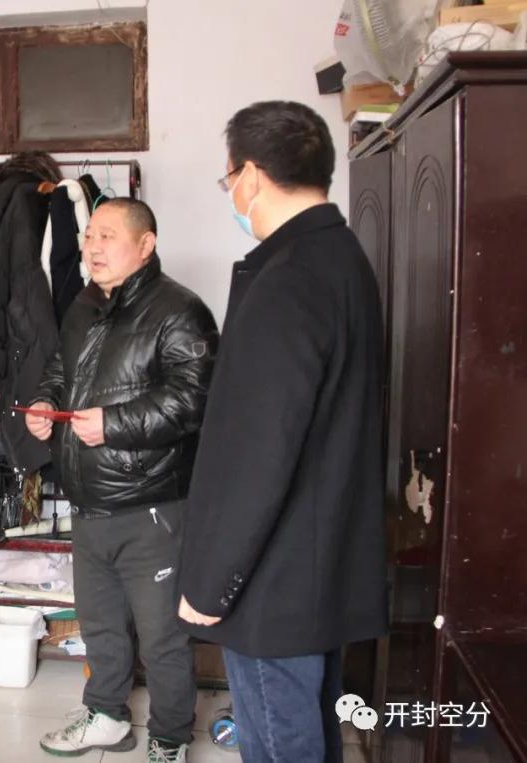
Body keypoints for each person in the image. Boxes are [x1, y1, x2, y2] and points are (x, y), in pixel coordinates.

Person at [177, 101, 387, 763]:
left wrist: (210, 582)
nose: (231, 191)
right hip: (317, 561)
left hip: (276, 576)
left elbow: (260, 452)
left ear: (250, 175)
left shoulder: (289, 278)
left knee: (281, 742)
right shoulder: (340, 257)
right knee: (311, 732)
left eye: (228, 177)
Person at [28, 198, 218, 763]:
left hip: (151, 506)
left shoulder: (180, 311)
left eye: (106, 236)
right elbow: (61, 370)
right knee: (101, 627)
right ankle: (107, 716)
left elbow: (192, 401)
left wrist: (113, 424)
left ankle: (170, 738)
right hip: (88, 503)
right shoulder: (84, 304)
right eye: (89, 235)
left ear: (145, 244)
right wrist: (46, 402)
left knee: (162, 637)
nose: (91, 247)